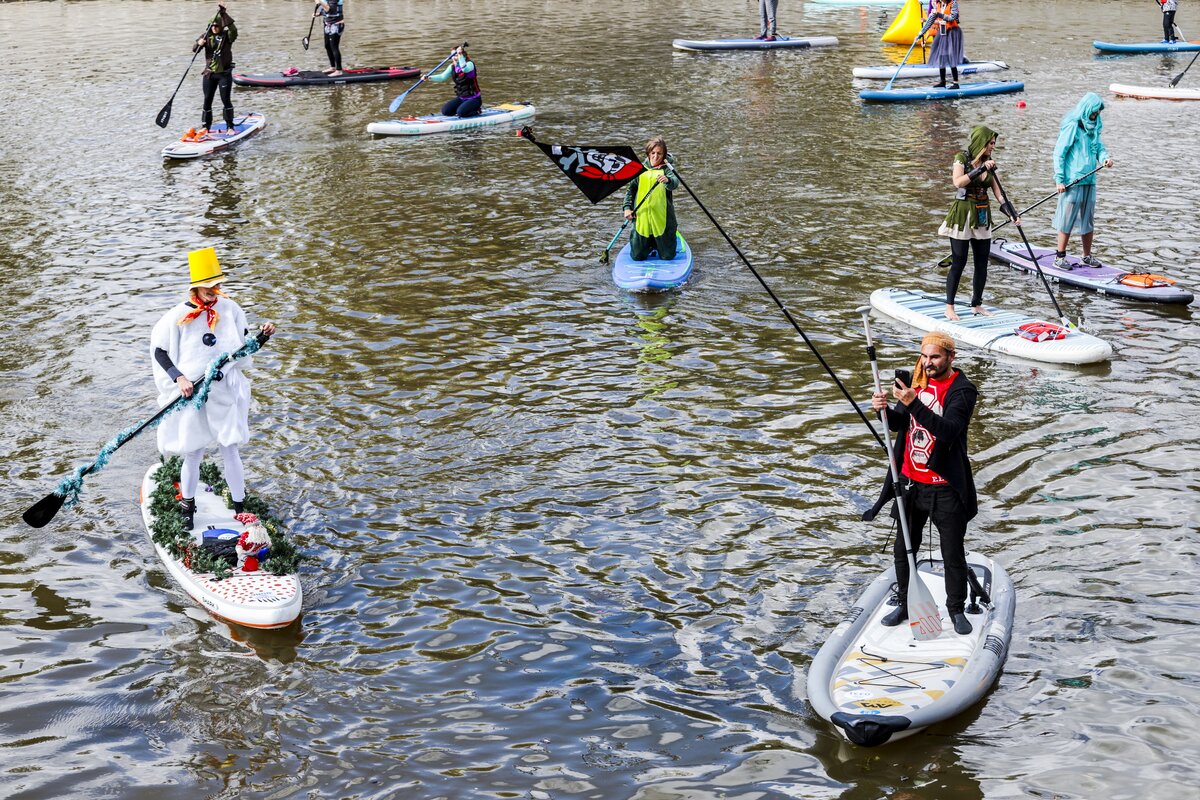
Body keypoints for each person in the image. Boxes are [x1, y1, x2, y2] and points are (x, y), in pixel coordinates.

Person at [151, 248, 276, 530]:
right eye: (210, 286)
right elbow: (160, 352)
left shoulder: (230, 309)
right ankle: (188, 508)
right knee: (194, 451)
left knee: (229, 447)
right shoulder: (176, 317)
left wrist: (263, 336)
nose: (215, 291)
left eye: (217, 285)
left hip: (224, 390)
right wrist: (179, 378)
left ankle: (240, 507)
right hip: (192, 393)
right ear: (196, 286)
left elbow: (245, 346)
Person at [868, 332, 979, 636]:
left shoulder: (963, 391)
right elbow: (900, 423)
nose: (928, 363)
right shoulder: (917, 384)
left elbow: (948, 430)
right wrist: (884, 410)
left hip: (945, 486)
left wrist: (912, 402)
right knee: (904, 549)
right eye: (924, 357)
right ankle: (905, 603)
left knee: (952, 552)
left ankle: (955, 609)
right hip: (911, 484)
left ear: (950, 358)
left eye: (935, 357)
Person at [938, 125, 1019, 320]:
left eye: (994, 144)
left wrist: (1011, 212)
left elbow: (999, 193)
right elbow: (957, 182)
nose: (993, 147)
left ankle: (977, 304)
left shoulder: (990, 164)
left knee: (982, 263)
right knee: (959, 261)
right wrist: (980, 169)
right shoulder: (962, 158)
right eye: (991, 143)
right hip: (963, 214)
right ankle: (950, 307)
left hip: (982, 215)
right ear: (981, 143)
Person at [1052, 93, 1114, 269]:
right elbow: (1059, 154)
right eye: (1094, 112)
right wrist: (1059, 179)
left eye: (1098, 113)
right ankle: (1059, 257)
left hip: (1090, 180)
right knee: (1067, 219)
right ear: (1087, 109)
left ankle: (1086, 256)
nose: (1096, 115)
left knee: (1088, 220)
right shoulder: (1072, 127)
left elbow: (1099, 148)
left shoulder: (1093, 128)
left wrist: (1105, 159)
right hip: (1072, 182)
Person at [622, 137, 681, 262]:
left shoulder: (667, 169)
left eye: (659, 154)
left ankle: (659, 244)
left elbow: (674, 183)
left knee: (667, 256)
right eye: (652, 153)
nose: (655, 156)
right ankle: (648, 245)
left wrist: (668, 180)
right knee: (637, 257)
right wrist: (627, 208)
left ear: (663, 155)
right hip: (642, 220)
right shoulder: (639, 170)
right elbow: (630, 190)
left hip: (663, 220)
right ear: (648, 154)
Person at [194, 5, 238, 132]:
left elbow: (233, 29)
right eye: (212, 26)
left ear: (221, 26)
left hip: (224, 74)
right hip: (209, 74)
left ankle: (230, 126)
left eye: (217, 25)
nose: (214, 28)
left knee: (226, 100)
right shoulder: (205, 35)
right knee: (207, 100)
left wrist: (224, 14)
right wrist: (199, 43)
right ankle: (205, 127)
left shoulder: (228, 36)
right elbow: (194, 49)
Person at [425, 45, 481, 118]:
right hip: (461, 98)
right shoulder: (452, 67)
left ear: (462, 54)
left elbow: (464, 69)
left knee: (461, 113)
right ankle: (463, 109)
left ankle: (477, 111)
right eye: (452, 55)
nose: (454, 57)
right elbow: (442, 77)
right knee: (445, 111)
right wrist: (429, 77)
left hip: (474, 99)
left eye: (455, 55)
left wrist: (460, 55)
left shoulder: (469, 64)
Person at [927, 0, 963, 89]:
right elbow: (930, 21)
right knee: (941, 56)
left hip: (953, 33)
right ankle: (942, 82)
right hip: (942, 33)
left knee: (951, 56)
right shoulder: (939, 4)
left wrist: (939, 14)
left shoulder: (953, 3)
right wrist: (920, 34)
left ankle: (956, 83)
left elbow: (952, 18)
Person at [315, 0, 346, 76]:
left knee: (334, 47)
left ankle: (339, 70)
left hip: (336, 25)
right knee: (327, 46)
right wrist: (319, 14)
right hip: (328, 24)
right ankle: (333, 67)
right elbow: (326, 11)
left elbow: (330, 10)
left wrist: (320, 2)